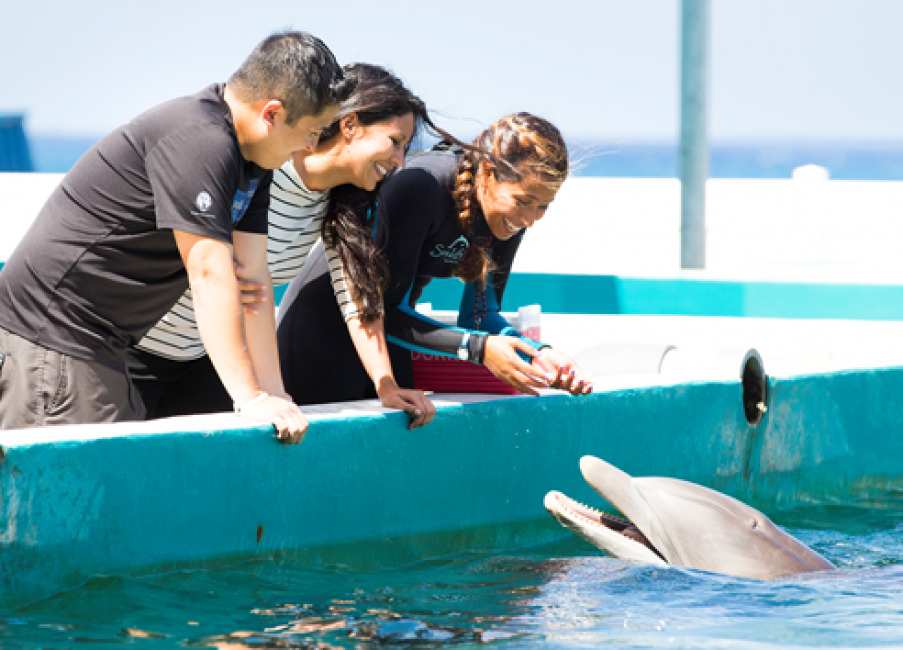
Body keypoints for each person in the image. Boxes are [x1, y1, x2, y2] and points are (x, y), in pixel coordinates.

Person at [0, 31, 350, 442]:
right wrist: (249, 398)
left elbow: (252, 280)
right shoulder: (199, 139)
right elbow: (208, 272)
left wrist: (275, 396)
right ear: (271, 114)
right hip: (57, 335)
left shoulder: (255, 161)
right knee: (81, 495)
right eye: (313, 130)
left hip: (106, 343)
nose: (313, 144)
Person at [127, 63, 438, 428]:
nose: (399, 161)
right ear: (350, 124)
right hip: (139, 349)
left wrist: (385, 385)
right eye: (394, 142)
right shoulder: (266, 167)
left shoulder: (343, 205)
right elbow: (208, 267)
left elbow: (355, 297)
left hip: (208, 361)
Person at [276, 112, 593, 404]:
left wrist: (538, 354)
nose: (530, 218)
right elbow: (382, 310)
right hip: (320, 337)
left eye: (543, 206)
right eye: (523, 201)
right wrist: (478, 349)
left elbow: (480, 317)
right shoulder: (422, 184)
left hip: (386, 348)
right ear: (486, 172)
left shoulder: (509, 220)